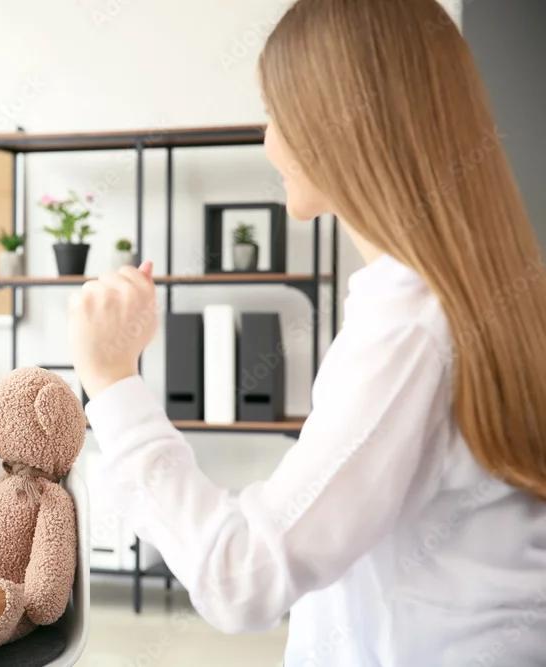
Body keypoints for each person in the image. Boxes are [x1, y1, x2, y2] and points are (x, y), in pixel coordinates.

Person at [68, 0, 546, 665]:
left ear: (341, 124)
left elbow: (240, 578)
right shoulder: (463, 299)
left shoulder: (410, 331)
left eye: (277, 113)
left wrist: (112, 380)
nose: (269, 141)